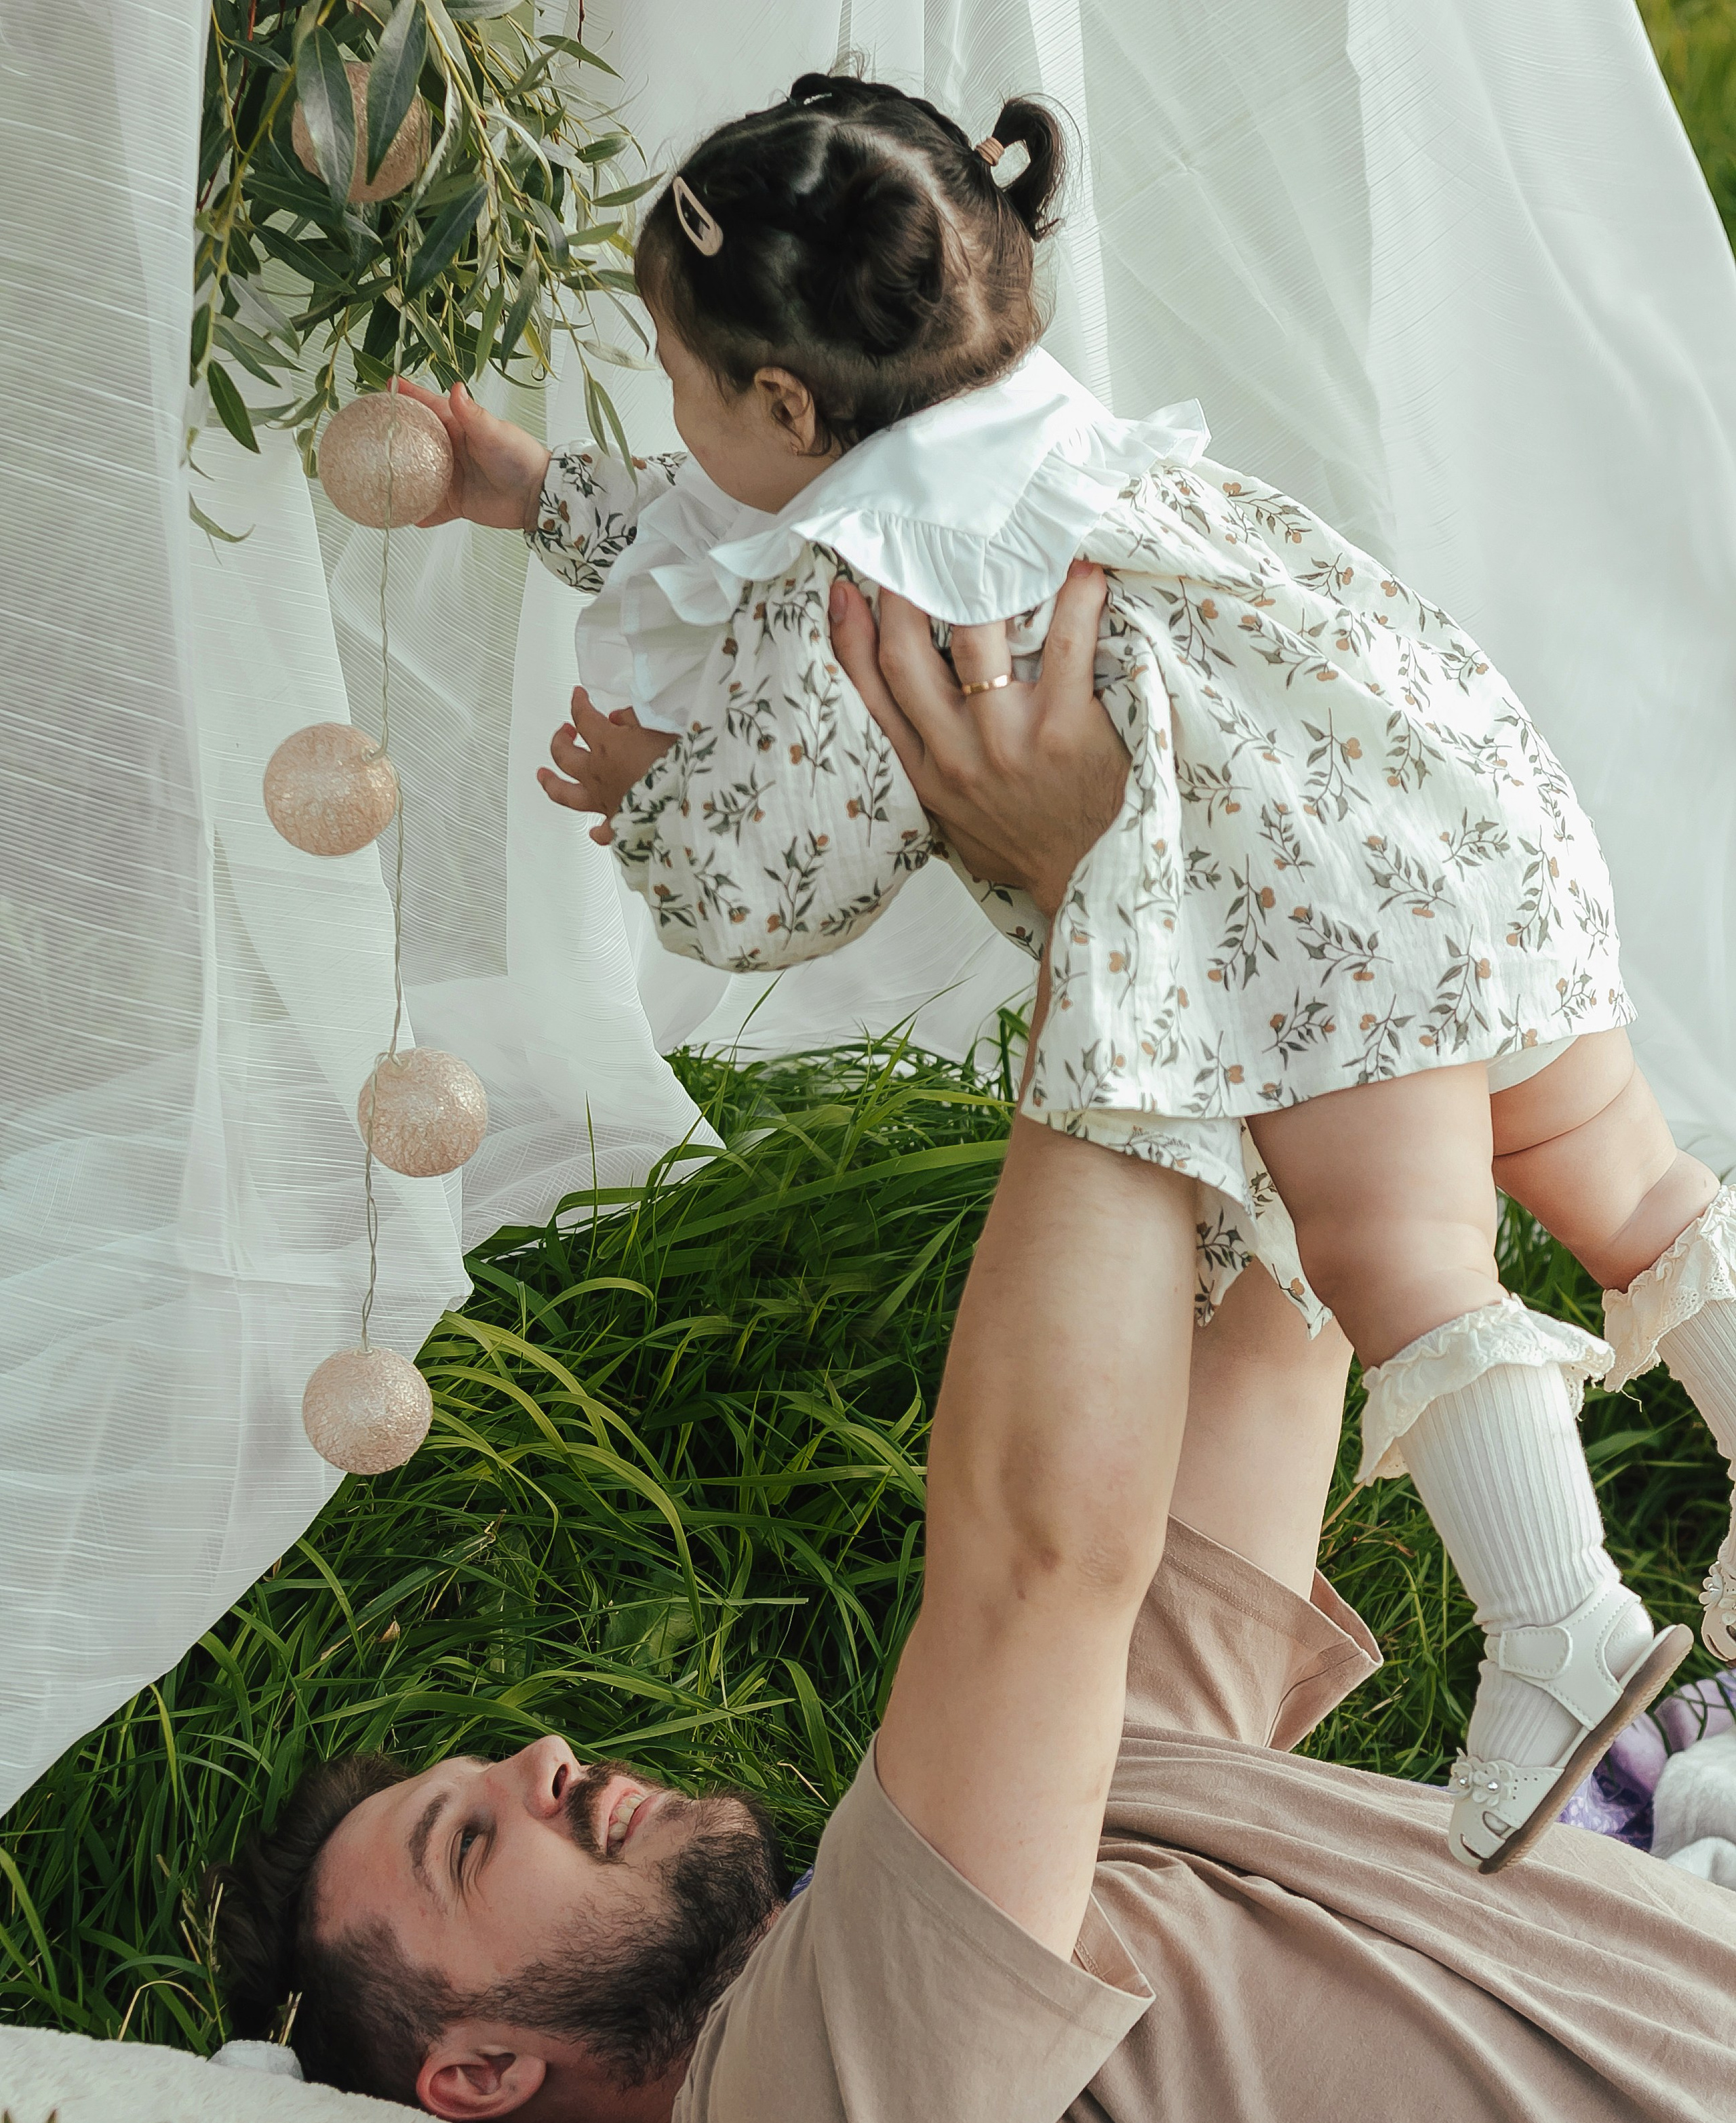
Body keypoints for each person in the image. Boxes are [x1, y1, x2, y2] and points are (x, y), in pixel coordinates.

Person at [212, 576, 1736, 2123]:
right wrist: (1107, 909)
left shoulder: (1018, 1888)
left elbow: (1286, 1317)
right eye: (472, 1836)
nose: (559, 1757)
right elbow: (1036, 1567)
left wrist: (1233, 847)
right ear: (475, 2074)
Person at [389, 71, 1736, 1872]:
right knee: (1626, 1180)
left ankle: (1561, 1640)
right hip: (1460, 805)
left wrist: (652, 800)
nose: (682, 420)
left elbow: (770, 881)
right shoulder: (1037, 432)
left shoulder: (880, 582)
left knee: (1396, 1248)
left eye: (682, 377)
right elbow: (726, 515)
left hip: (1312, 922)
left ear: (785, 397)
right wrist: (533, 494)